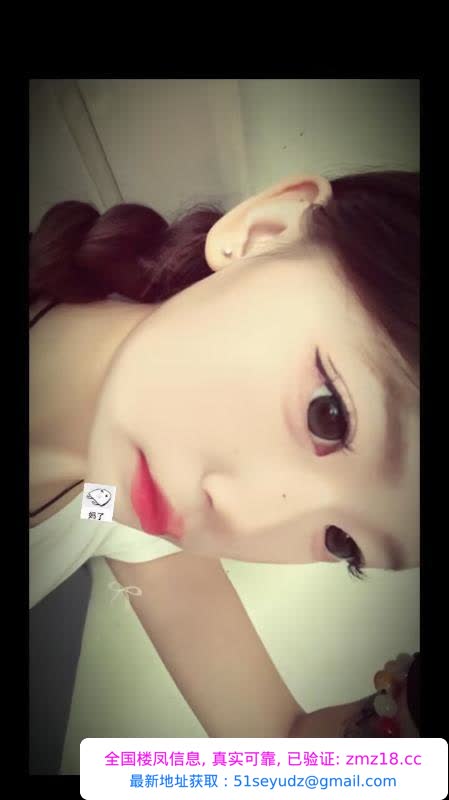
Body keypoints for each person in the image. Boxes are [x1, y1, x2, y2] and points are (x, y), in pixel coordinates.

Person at [29, 169, 419, 755]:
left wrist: (401, 721)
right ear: (263, 232)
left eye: (343, 542)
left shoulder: (108, 504)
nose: (243, 516)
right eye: (328, 416)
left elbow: (274, 744)